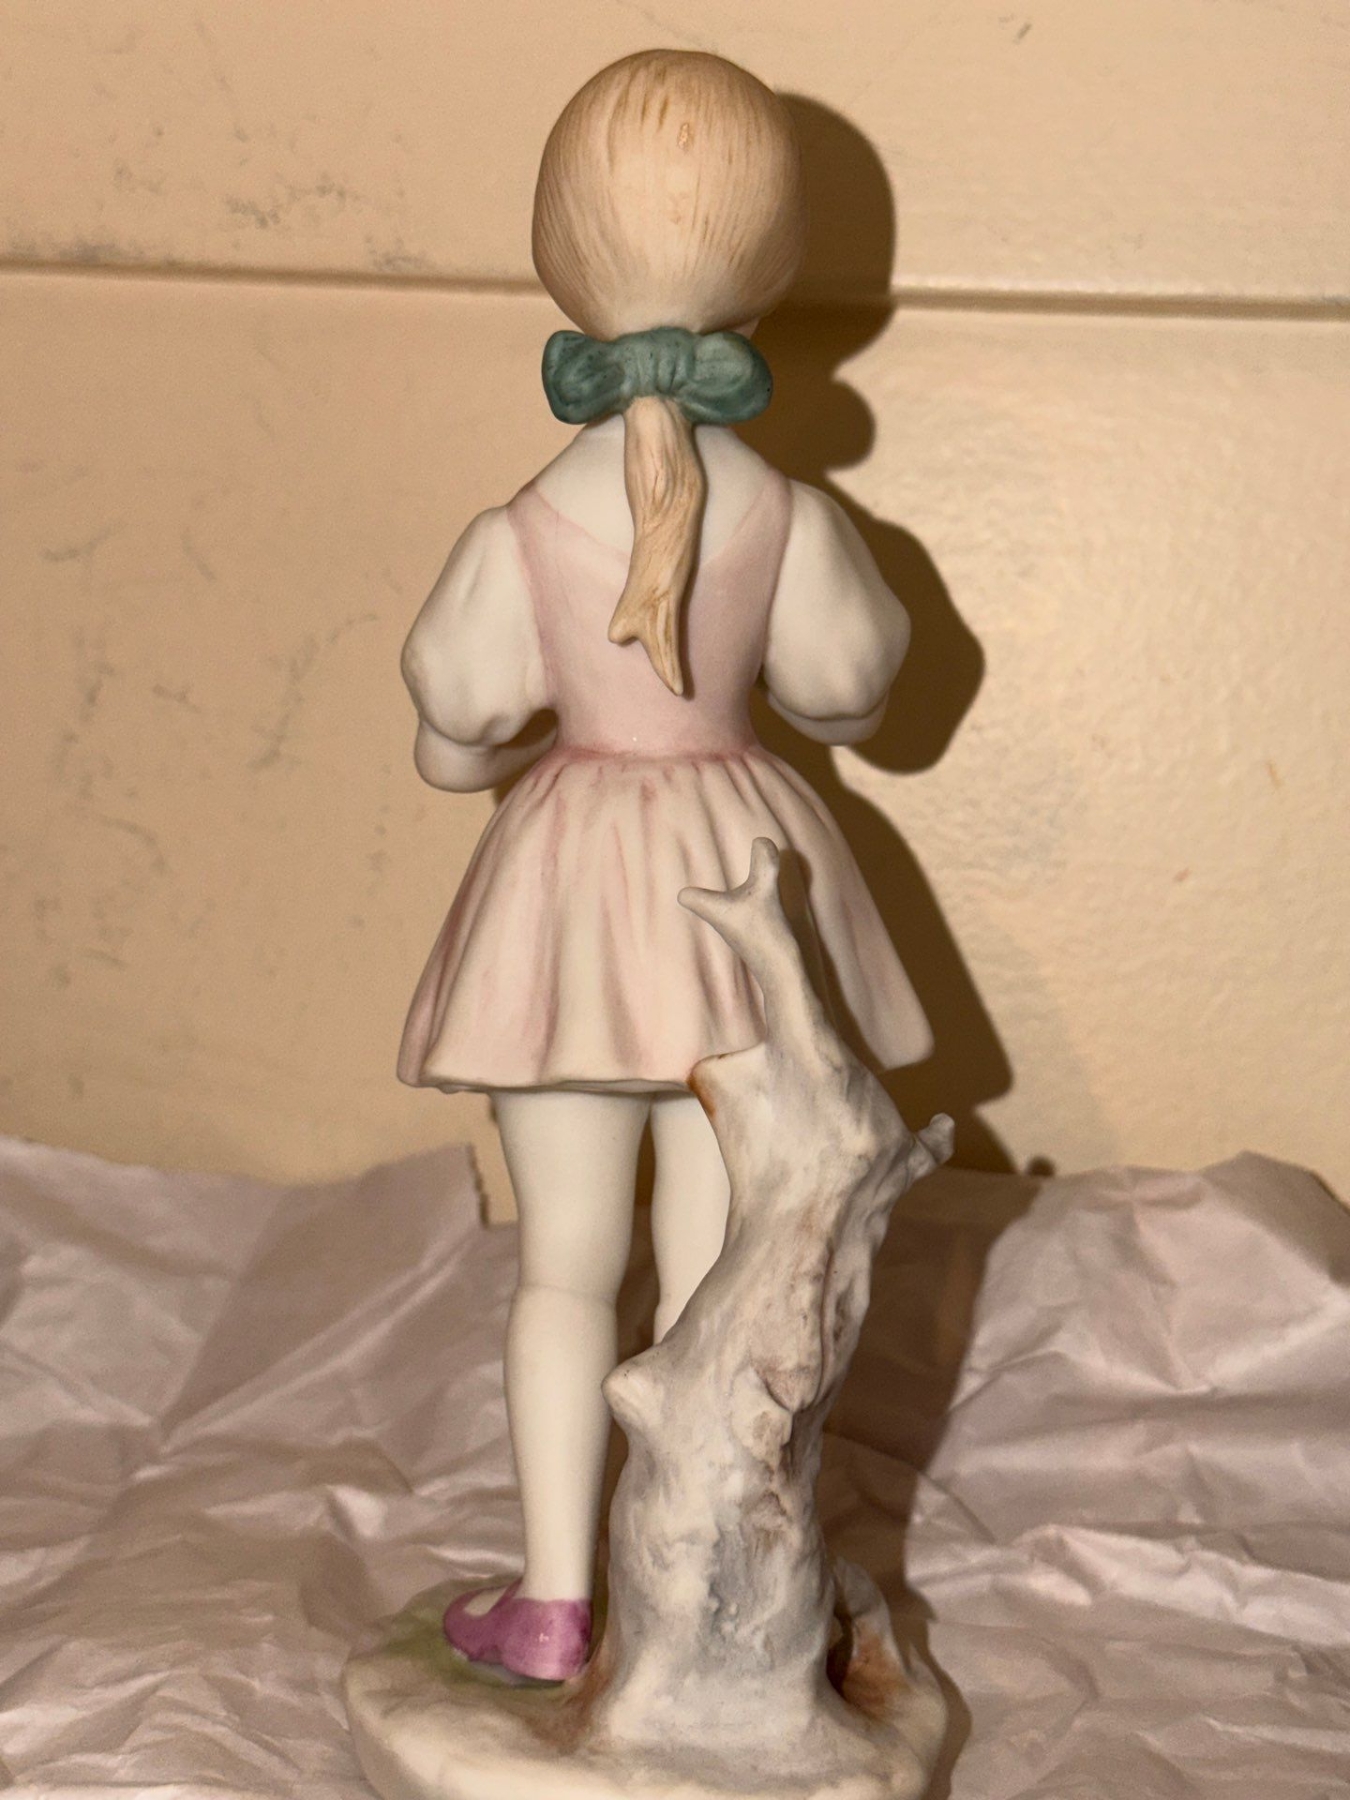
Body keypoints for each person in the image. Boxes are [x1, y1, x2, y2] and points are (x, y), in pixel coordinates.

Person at [396, 48, 930, 1681]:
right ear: (770, 265)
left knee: (564, 1268)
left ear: (559, 254)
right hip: (733, 896)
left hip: (569, 903)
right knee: (726, 1280)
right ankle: (701, 1608)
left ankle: (559, 1598)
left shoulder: (515, 528)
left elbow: (455, 722)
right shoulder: (790, 514)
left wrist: (490, 758)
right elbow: (849, 691)